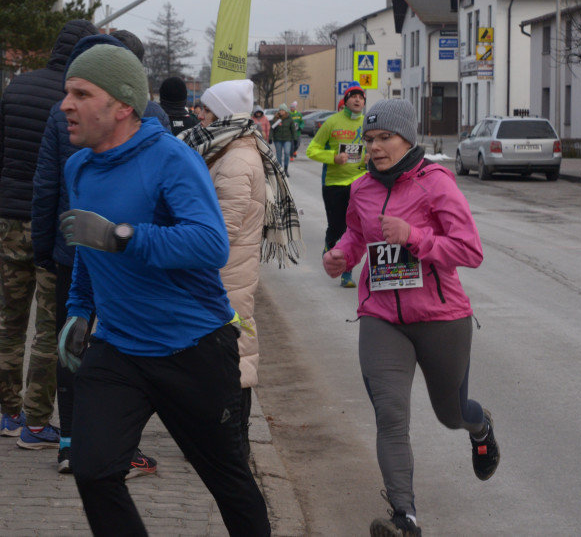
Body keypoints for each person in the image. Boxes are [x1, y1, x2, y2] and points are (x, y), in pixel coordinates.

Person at [56, 43, 271, 536]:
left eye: (81, 93)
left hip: (192, 348)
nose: (65, 104)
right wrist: (79, 310)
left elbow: (210, 243)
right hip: (119, 350)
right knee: (92, 469)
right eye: (67, 92)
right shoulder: (79, 168)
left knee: (229, 482)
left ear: (123, 106)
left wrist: (124, 236)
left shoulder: (171, 159)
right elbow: (89, 248)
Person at [322, 99, 498, 537]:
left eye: (385, 138)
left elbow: (470, 250)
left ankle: (480, 427)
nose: (375, 147)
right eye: (370, 139)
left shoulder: (435, 183)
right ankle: (405, 518)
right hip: (382, 317)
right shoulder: (361, 187)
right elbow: (357, 234)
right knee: (391, 416)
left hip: (441, 318)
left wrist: (415, 236)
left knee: (451, 413)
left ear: (408, 139)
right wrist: (343, 254)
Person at [33, 33, 160, 478]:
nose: (70, 102)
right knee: (89, 342)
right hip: (98, 255)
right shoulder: (153, 113)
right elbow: (54, 179)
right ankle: (116, 446)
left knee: (79, 346)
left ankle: (73, 441)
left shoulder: (151, 125)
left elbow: (44, 187)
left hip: (104, 252)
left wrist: (43, 248)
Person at [0, 19, 98, 450]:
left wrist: (3, 208)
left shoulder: (17, 87)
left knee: (9, 321)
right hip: (54, 224)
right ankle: (37, 420)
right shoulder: (77, 97)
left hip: (12, 220)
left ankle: (9, 413)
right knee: (51, 327)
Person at [182, 78, 302, 460]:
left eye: (206, 110)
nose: (199, 116)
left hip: (225, 272)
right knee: (226, 353)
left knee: (233, 355)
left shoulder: (235, 158)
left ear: (224, 114)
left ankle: (234, 443)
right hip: (224, 269)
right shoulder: (226, 148)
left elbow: (223, 227)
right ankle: (224, 440)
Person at [306, 84, 368, 288]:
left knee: (355, 228)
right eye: (354, 97)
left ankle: (346, 273)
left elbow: (379, 147)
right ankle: (329, 245)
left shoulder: (368, 123)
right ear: (346, 100)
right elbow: (312, 150)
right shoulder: (332, 122)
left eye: (362, 97)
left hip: (360, 183)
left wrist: (371, 157)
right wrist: (333, 157)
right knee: (337, 227)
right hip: (334, 183)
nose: (358, 100)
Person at [269, 103, 299, 176]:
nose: (281, 112)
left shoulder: (289, 119)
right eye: (280, 110)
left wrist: (295, 139)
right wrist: (270, 138)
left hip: (287, 139)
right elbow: (272, 129)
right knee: (278, 155)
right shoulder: (275, 118)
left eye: (283, 110)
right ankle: (280, 170)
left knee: (287, 153)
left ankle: (286, 168)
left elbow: (293, 130)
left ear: (285, 111)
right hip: (277, 139)